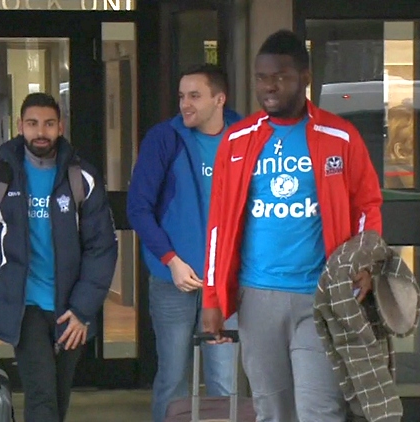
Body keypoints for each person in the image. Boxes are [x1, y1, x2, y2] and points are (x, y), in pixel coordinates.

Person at [201, 30, 383, 422]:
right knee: (273, 411)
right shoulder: (237, 141)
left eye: (280, 77)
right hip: (258, 298)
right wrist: (213, 299)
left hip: (321, 296)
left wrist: (364, 261)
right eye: (261, 77)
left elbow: (367, 204)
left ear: (305, 77)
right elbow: (218, 226)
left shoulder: (339, 136)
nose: (268, 87)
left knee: (321, 411)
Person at [0, 92, 117, 422]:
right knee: (41, 393)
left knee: (58, 395)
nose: (40, 131)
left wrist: (82, 310)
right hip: (23, 304)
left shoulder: (81, 178)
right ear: (20, 126)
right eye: (32, 123)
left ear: (60, 127)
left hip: (69, 308)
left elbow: (100, 247)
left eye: (48, 123)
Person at [126, 63, 242, 422]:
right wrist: (170, 260)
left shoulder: (245, 137)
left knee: (224, 381)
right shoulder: (165, 138)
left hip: (224, 284)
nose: (185, 104)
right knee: (173, 378)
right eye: (181, 96)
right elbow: (138, 207)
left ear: (219, 99)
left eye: (194, 96)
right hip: (173, 281)